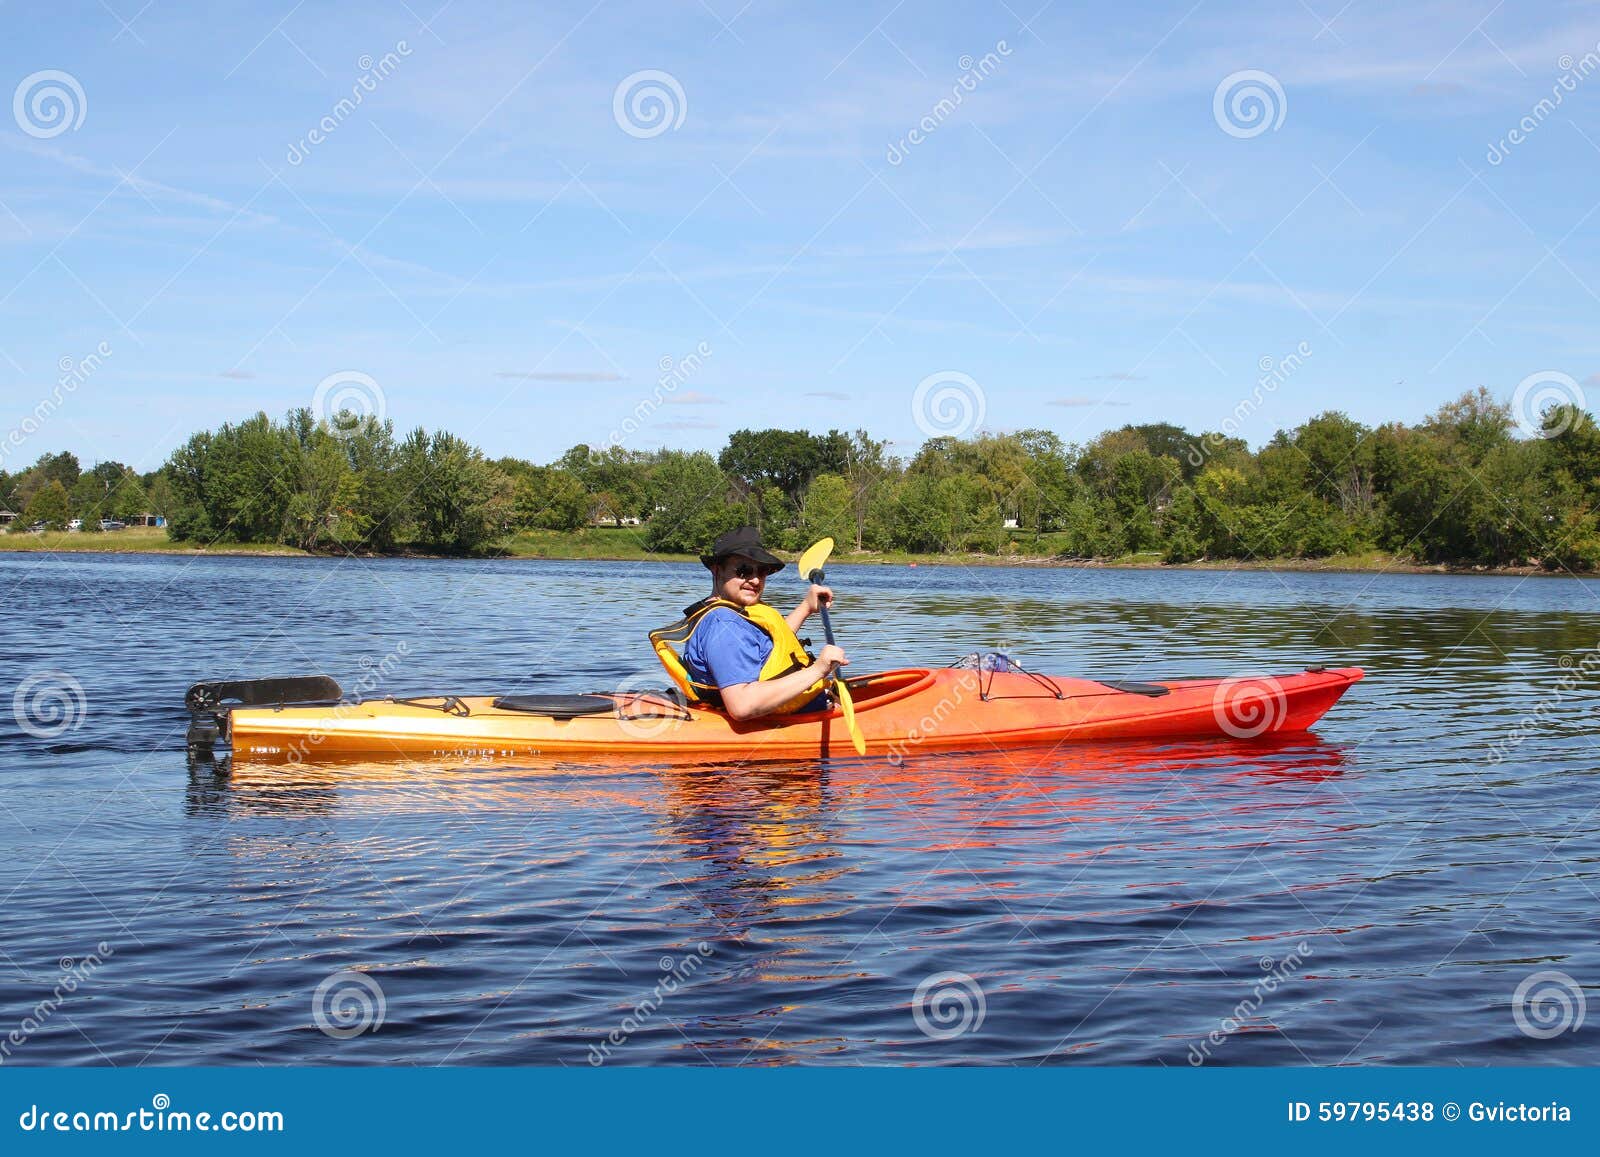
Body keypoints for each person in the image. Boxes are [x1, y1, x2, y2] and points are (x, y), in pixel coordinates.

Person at [649, 526, 848, 720]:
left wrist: (805, 608)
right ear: (717, 570)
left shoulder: (732, 612)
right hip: (790, 725)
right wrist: (818, 670)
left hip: (807, 708)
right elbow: (742, 705)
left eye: (761, 571)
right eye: (743, 570)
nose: (755, 580)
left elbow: (770, 650)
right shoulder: (723, 625)